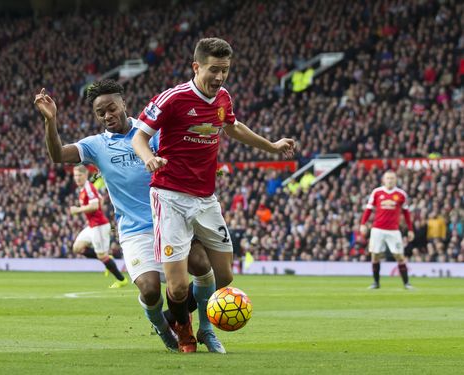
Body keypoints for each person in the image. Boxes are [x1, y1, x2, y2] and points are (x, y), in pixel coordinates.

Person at [132, 37, 296, 353]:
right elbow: (139, 137)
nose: (219, 77)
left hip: (206, 199)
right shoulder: (172, 98)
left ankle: (192, 323)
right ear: (197, 66)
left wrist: (271, 146)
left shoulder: (222, 98)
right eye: (213, 69)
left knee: (225, 275)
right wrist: (148, 158)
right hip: (169, 197)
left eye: (225, 70)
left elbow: (232, 127)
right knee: (178, 287)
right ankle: (187, 333)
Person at [33, 81, 221, 353]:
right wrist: (50, 121)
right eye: (100, 112)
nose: (107, 115)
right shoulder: (95, 146)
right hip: (136, 230)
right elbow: (57, 154)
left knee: (202, 265)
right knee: (150, 290)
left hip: (172, 219)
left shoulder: (152, 132)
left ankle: (204, 328)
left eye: (111, 108)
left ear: (123, 104)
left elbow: (188, 152)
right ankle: (162, 324)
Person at [70, 165, 128, 289]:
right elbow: (100, 199)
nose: (77, 178)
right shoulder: (83, 189)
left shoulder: (88, 188)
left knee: (102, 256)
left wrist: (78, 210)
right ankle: (107, 259)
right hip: (92, 226)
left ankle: (121, 279)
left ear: (85, 175)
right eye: (75, 175)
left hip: (100, 226)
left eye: (79, 175)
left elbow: (95, 205)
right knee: (77, 248)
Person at [360, 170, 415, 289]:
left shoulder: (401, 194)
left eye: (392, 178)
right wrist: (363, 223)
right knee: (375, 255)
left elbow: (406, 213)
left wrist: (410, 229)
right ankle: (376, 283)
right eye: (388, 178)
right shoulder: (377, 192)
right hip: (377, 229)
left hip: (393, 230)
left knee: (399, 256)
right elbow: (368, 209)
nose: (390, 180)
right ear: (383, 180)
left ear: (396, 180)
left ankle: (406, 283)